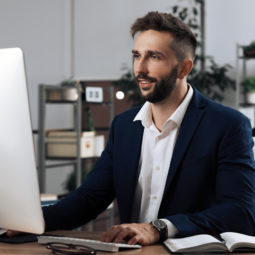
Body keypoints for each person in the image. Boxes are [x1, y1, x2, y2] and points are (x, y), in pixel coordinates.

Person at [12, 11, 255, 245]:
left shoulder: (227, 125)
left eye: (154, 57)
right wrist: (30, 221)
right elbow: (89, 198)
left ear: (184, 68)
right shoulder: (124, 126)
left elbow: (241, 212)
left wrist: (159, 228)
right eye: (137, 55)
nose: (140, 69)